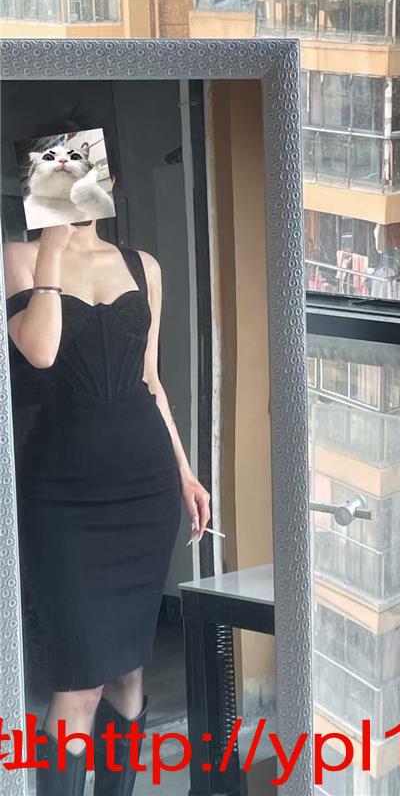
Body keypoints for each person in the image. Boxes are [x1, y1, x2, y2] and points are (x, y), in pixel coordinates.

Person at [4, 141, 210, 795]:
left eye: (82, 173)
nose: (71, 187)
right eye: (54, 175)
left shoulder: (142, 266)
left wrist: (184, 472)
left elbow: (151, 380)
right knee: (79, 682)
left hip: (143, 487)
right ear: (35, 184)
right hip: (62, 497)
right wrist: (53, 246)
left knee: (126, 674)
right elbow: (40, 352)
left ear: (109, 180)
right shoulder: (18, 257)